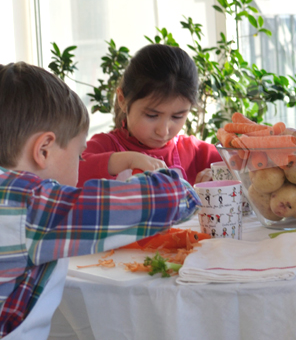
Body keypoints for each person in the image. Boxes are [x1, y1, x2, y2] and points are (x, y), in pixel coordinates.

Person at [0, 62, 200, 339]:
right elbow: (170, 196)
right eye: (79, 154)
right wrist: (173, 180)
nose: (80, 162)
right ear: (43, 150)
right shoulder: (29, 208)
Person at [79, 44, 223, 186]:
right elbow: (71, 171)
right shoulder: (105, 146)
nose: (163, 131)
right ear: (122, 100)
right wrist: (127, 160)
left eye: (177, 117)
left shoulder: (195, 152)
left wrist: (221, 174)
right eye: (152, 115)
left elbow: (240, 164)